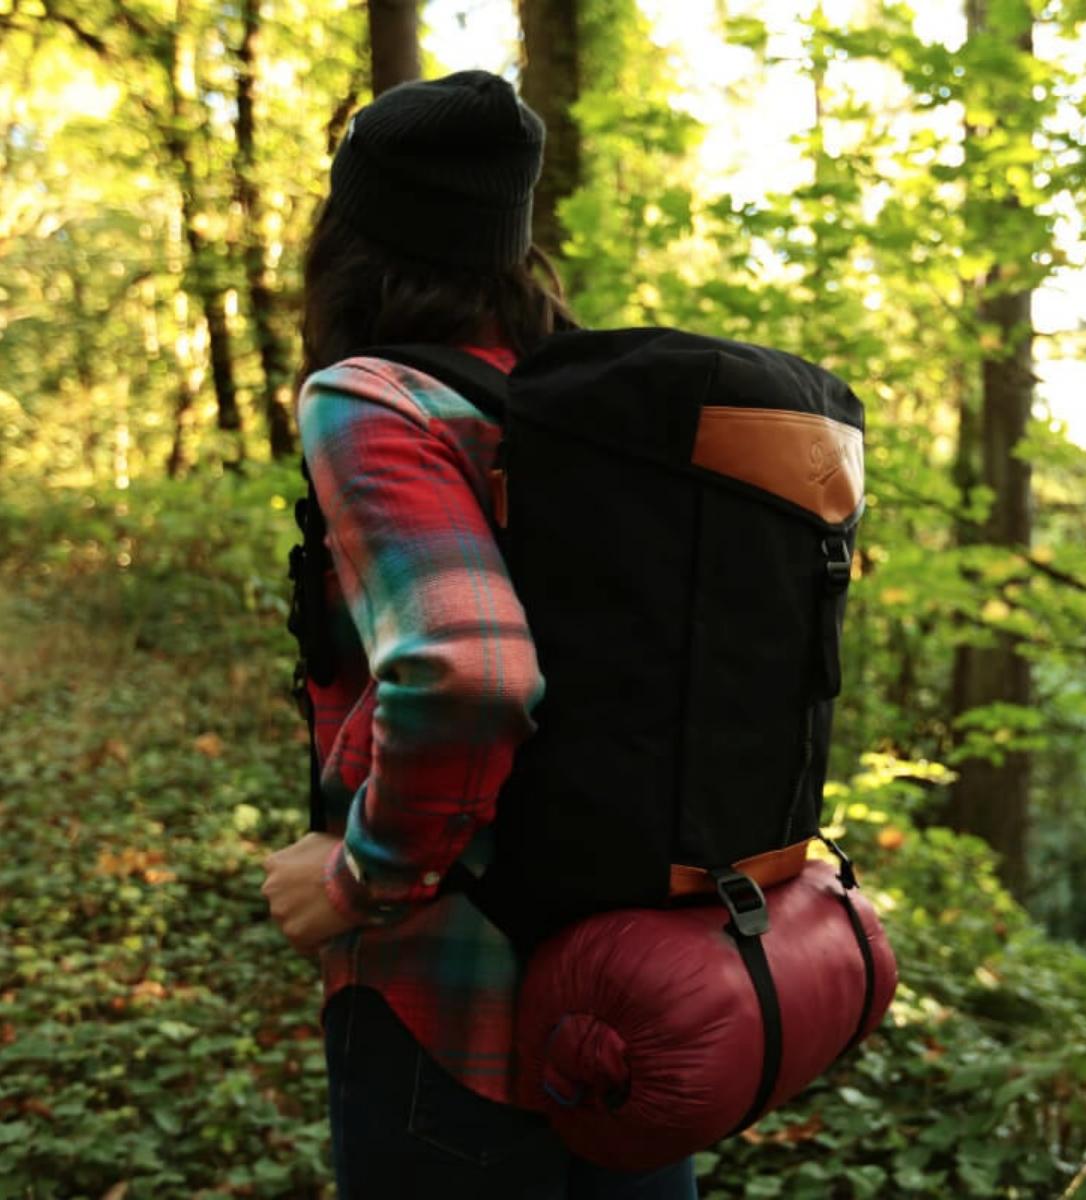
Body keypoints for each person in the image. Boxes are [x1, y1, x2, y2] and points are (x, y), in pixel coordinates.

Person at [260, 70, 699, 1200]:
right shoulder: (588, 410)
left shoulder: (373, 398)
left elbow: (470, 674)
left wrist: (356, 880)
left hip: (451, 1012)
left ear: (349, 237)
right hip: (630, 1000)